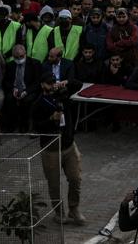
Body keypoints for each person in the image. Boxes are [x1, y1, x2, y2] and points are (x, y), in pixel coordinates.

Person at [31, 72, 85, 224]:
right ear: (42, 85)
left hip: (68, 146)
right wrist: (50, 119)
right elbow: (36, 128)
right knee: (54, 184)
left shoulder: (63, 94)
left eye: (53, 81)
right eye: (49, 83)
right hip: (51, 150)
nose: (52, 84)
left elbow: (78, 84)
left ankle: (74, 209)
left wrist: (65, 82)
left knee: (75, 179)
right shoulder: (38, 103)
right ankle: (59, 212)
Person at [1, 43, 41, 132]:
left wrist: (26, 91)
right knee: (9, 100)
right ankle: (11, 125)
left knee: (27, 101)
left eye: (21, 56)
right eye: (16, 57)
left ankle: (24, 125)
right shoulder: (10, 65)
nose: (19, 59)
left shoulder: (35, 63)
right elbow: (6, 81)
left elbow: (37, 82)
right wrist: (13, 89)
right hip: (15, 89)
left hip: (28, 90)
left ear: (25, 53)